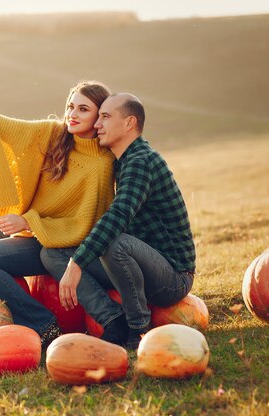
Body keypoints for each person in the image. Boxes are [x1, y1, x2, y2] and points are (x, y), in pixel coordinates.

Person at [0, 80, 116, 346]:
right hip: (28, 232)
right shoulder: (56, 134)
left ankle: (44, 326)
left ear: (99, 117)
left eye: (83, 109)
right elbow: (3, 127)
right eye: (70, 106)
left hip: (54, 244)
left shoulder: (101, 165)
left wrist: (28, 221)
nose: (72, 114)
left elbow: (84, 226)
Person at [40, 93, 196, 350]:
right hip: (138, 267)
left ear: (129, 123)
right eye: (98, 117)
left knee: (114, 243)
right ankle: (113, 319)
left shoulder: (140, 161)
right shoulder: (121, 161)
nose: (97, 124)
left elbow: (118, 215)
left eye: (105, 117)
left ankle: (138, 331)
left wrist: (77, 263)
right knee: (53, 252)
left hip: (172, 278)